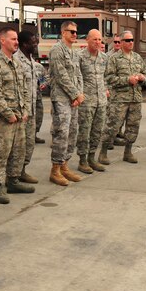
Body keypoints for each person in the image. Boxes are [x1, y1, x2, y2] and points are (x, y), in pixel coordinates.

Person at [0, 27, 34, 204]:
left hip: (19, 117)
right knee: (0, 153)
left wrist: (25, 110)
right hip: (2, 119)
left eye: (17, 39)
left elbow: (25, 89)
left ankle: (13, 181)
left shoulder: (17, 63)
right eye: (13, 39)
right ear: (2, 40)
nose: (16, 42)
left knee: (18, 151)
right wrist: (8, 114)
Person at [100, 30, 146, 164]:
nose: (131, 42)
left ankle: (128, 152)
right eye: (127, 40)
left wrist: (143, 78)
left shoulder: (137, 57)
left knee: (133, 126)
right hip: (119, 100)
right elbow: (109, 78)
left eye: (132, 40)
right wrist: (127, 80)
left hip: (135, 99)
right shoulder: (114, 59)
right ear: (121, 42)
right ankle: (103, 153)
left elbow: (145, 75)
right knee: (112, 126)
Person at [48, 20, 85, 186]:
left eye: (76, 32)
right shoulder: (57, 50)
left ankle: (65, 166)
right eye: (72, 31)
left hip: (73, 100)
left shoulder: (74, 53)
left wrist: (79, 95)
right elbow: (61, 75)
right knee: (61, 133)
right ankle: (55, 170)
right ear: (63, 33)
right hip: (61, 98)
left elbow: (79, 75)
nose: (75, 34)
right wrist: (75, 94)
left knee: (72, 132)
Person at [76, 29, 109, 173]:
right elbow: (76, 77)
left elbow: (106, 76)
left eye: (99, 40)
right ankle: (82, 160)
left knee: (97, 131)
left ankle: (92, 158)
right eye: (95, 39)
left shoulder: (104, 58)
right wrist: (78, 95)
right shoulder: (80, 57)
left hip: (101, 101)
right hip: (86, 102)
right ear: (87, 40)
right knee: (85, 131)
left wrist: (106, 89)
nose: (97, 42)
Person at [15, 30, 44, 183]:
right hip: (21, 111)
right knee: (17, 146)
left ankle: (22, 170)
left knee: (29, 144)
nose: (36, 45)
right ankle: (13, 174)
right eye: (33, 43)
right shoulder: (16, 60)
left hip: (31, 110)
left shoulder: (31, 60)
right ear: (25, 44)